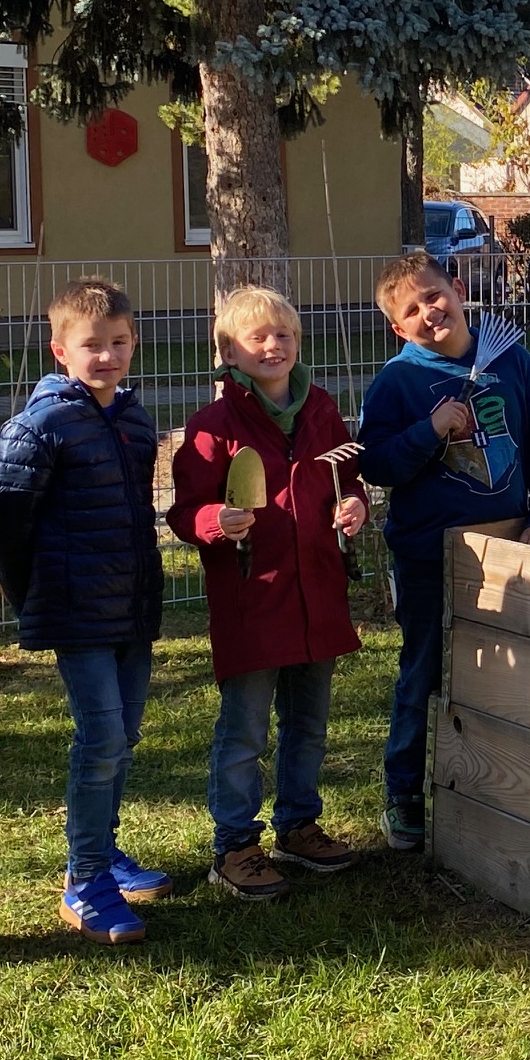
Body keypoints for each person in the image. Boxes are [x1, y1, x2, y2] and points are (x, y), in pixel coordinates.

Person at [358, 252, 530, 853]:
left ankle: (494, 785)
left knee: (514, 677)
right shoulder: (397, 382)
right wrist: (428, 430)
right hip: (430, 555)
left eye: (434, 296)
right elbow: (377, 464)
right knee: (424, 669)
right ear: (398, 328)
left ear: (458, 288)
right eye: (411, 310)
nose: (429, 312)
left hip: (510, 548)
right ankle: (404, 793)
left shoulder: (512, 362)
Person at [0, 277, 167, 945]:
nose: (107, 356)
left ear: (134, 344)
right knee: (101, 739)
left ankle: (105, 852)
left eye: (119, 342)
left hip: (132, 607)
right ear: (61, 349)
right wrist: (35, 597)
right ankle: (84, 880)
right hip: (75, 610)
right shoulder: (40, 427)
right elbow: (4, 522)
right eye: (92, 344)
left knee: (126, 735)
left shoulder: (135, 421)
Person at [168, 287, 369, 901]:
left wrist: (354, 505)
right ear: (228, 352)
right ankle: (235, 844)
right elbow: (184, 512)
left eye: (283, 334)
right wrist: (214, 521)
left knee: (309, 725)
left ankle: (298, 826)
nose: (273, 345)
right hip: (253, 601)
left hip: (317, 597)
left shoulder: (322, 411)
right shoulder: (213, 427)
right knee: (245, 732)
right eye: (257, 337)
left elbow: (346, 479)